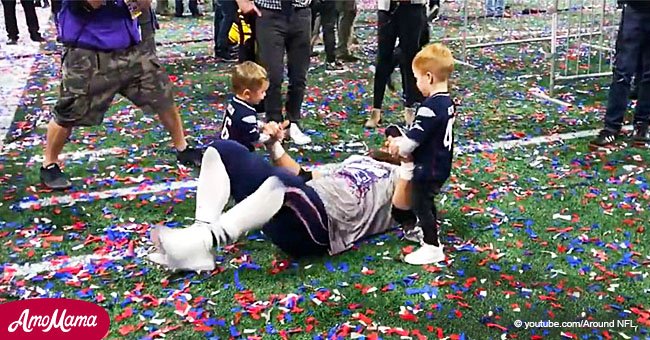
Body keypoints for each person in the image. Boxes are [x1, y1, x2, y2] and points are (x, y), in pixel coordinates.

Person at [146, 129, 432, 271]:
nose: (390, 142)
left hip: (324, 227)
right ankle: (199, 243)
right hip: (296, 201)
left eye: (400, 138)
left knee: (282, 187)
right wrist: (275, 145)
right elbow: (304, 174)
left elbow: (402, 208)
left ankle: (205, 240)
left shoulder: (406, 177)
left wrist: (408, 164)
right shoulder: (360, 158)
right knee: (222, 149)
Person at [40, 0, 203, 190]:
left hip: (131, 49)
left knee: (162, 95)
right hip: (88, 52)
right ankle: (49, 164)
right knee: (70, 110)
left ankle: (182, 147)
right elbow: (92, 3)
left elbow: (139, 6)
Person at [386, 43, 455, 265]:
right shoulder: (448, 103)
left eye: (417, 78)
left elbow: (411, 143)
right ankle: (428, 236)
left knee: (420, 203)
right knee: (427, 202)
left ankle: (432, 246)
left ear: (429, 77)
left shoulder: (429, 107)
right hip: (442, 164)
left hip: (428, 167)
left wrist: (398, 144)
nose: (416, 83)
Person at [235, 0, 313, 145]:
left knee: (299, 75)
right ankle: (274, 123)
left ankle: (293, 121)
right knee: (272, 75)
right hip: (269, 12)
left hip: (301, 11)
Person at [589, 0, 650, 149]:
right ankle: (612, 126)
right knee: (623, 72)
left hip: (636, 9)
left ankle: (642, 125)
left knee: (646, 74)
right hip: (635, 8)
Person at [367, 0, 427, 129]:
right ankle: (376, 110)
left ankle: (409, 109)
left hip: (412, 7)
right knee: (383, 58)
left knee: (410, 59)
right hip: (387, 9)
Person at [219, 61, 274, 151]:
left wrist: (262, 125)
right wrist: (270, 136)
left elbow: (242, 125)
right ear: (247, 94)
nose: (264, 95)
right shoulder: (246, 114)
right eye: (262, 92)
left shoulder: (234, 103)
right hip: (236, 153)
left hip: (225, 146)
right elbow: (255, 139)